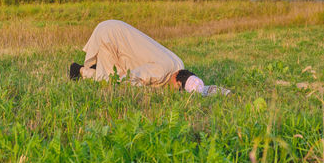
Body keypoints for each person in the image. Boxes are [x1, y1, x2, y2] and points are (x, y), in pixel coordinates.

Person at [70, 20, 230, 96]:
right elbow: (130, 79)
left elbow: (202, 89)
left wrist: (224, 92)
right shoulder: (160, 72)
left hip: (115, 31)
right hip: (110, 34)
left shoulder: (179, 64)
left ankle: (90, 70)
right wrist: (148, 92)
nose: (176, 92)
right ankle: (79, 71)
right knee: (110, 82)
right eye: (178, 89)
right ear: (177, 80)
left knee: (111, 76)